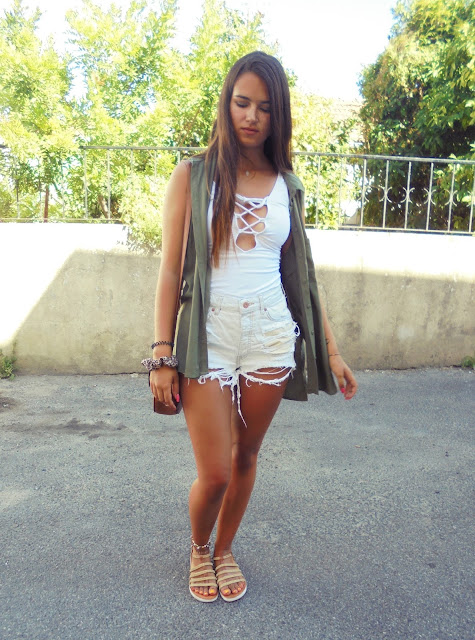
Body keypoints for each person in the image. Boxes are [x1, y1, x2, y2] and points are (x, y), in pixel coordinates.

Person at [146, 51, 357, 603]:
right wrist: (162, 354)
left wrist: (332, 351)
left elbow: (303, 277)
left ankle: (224, 550)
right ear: (226, 103)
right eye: (242, 103)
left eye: (265, 108)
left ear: (277, 115)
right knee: (215, 470)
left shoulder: (287, 184)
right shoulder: (193, 175)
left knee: (246, 456)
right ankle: (199, 548)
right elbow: (170, 269)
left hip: (270, 336)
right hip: (207, 337)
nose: (252, 116)